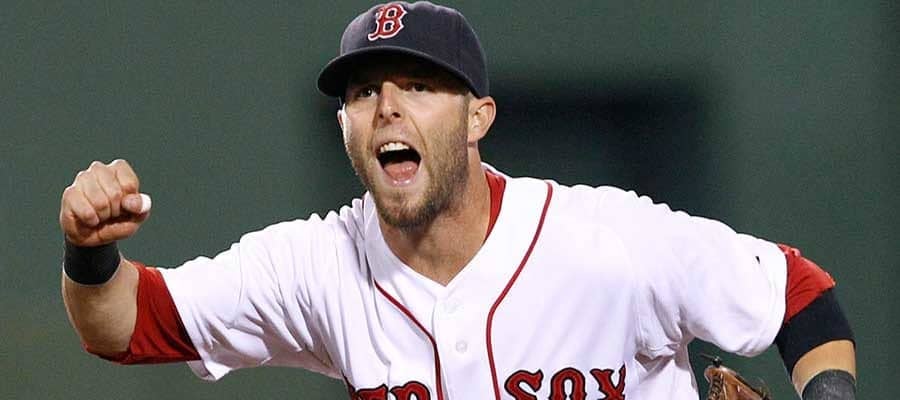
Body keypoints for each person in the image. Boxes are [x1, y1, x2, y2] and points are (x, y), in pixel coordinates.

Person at [59, 2, 856, 399]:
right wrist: (89, 250)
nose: (387, 107)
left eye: (418, 85)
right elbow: (124, 323)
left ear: (478, 118)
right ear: (345, 127)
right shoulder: (316, 267)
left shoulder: (605, 239)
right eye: (363, 92)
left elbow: (799, 293)